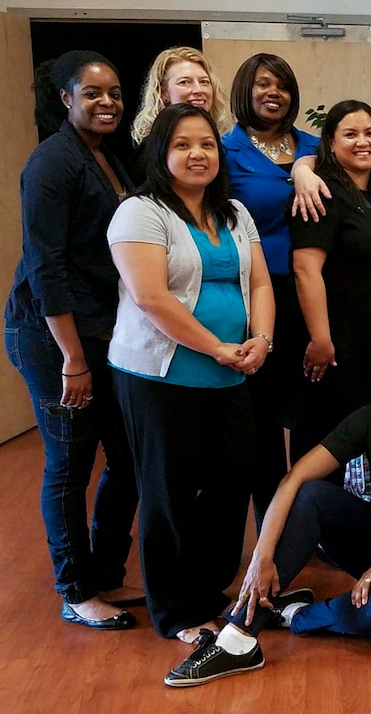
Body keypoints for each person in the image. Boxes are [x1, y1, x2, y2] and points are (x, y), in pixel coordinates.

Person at [163, 324, 371, 687]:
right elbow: (294, 480)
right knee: (312, 495)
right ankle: (239, 637)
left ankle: (296, 614)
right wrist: (261, 557)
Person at [108, 103, 275, 642]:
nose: (197, 154)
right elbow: (151, 297)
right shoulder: (141, 212)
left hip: (230, 373)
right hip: (161, 376)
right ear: (161, 152)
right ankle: (177, 610)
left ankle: (209, 587)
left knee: (229, 489)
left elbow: (261, 284)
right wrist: (218, 348)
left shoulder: (233, 213)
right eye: (182, 144)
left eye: (206, 144)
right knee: (170, 493)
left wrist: (261, 341)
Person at [4, 50, 140, 631]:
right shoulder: (51, 164)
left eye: (113, 92)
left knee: (128, 456)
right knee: (69, 462)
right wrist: (73, 361)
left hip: (99, 331)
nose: (107, 101)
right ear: (66, 99)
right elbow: (46, 268)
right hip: (51, 334)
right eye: (93, 93)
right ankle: (76, 589)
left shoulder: (106, 156)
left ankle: (105, 568)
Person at [222, 53, 323, 524]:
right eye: (263, 84)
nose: (273, 93)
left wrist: (306, 163)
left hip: (312, 292)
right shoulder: (225, 151)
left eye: (281, 85)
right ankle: (269, 521)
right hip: (255, 296)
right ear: (246, 89)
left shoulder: (314, 145)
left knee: (312, 409)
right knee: (260, 418)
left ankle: (312, 518)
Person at [288, 100, 371, 458]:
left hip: (366, 340)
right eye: (349, 134)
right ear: (331, 143)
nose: (362, 142)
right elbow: (306, 269)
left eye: (370, 133)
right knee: (324, 447)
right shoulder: (322, 193)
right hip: (333, 347)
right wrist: (321, 339)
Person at [129, 46, 232, 183]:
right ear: (164, 93)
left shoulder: (220, 143)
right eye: (184, 82)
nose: (198, 89)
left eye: (204, 82)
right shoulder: (151, 149)